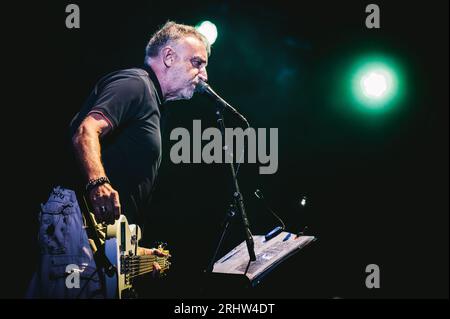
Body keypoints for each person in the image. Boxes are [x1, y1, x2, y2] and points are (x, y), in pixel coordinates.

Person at [27, 21, 210, 298]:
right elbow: (86, 130)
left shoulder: (156, 106)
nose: (204, 75)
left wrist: (135, 253)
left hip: (92, 230)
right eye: (197, 62)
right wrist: (97, 181)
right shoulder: (135, 83)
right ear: (169, 57)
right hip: (77, 217)